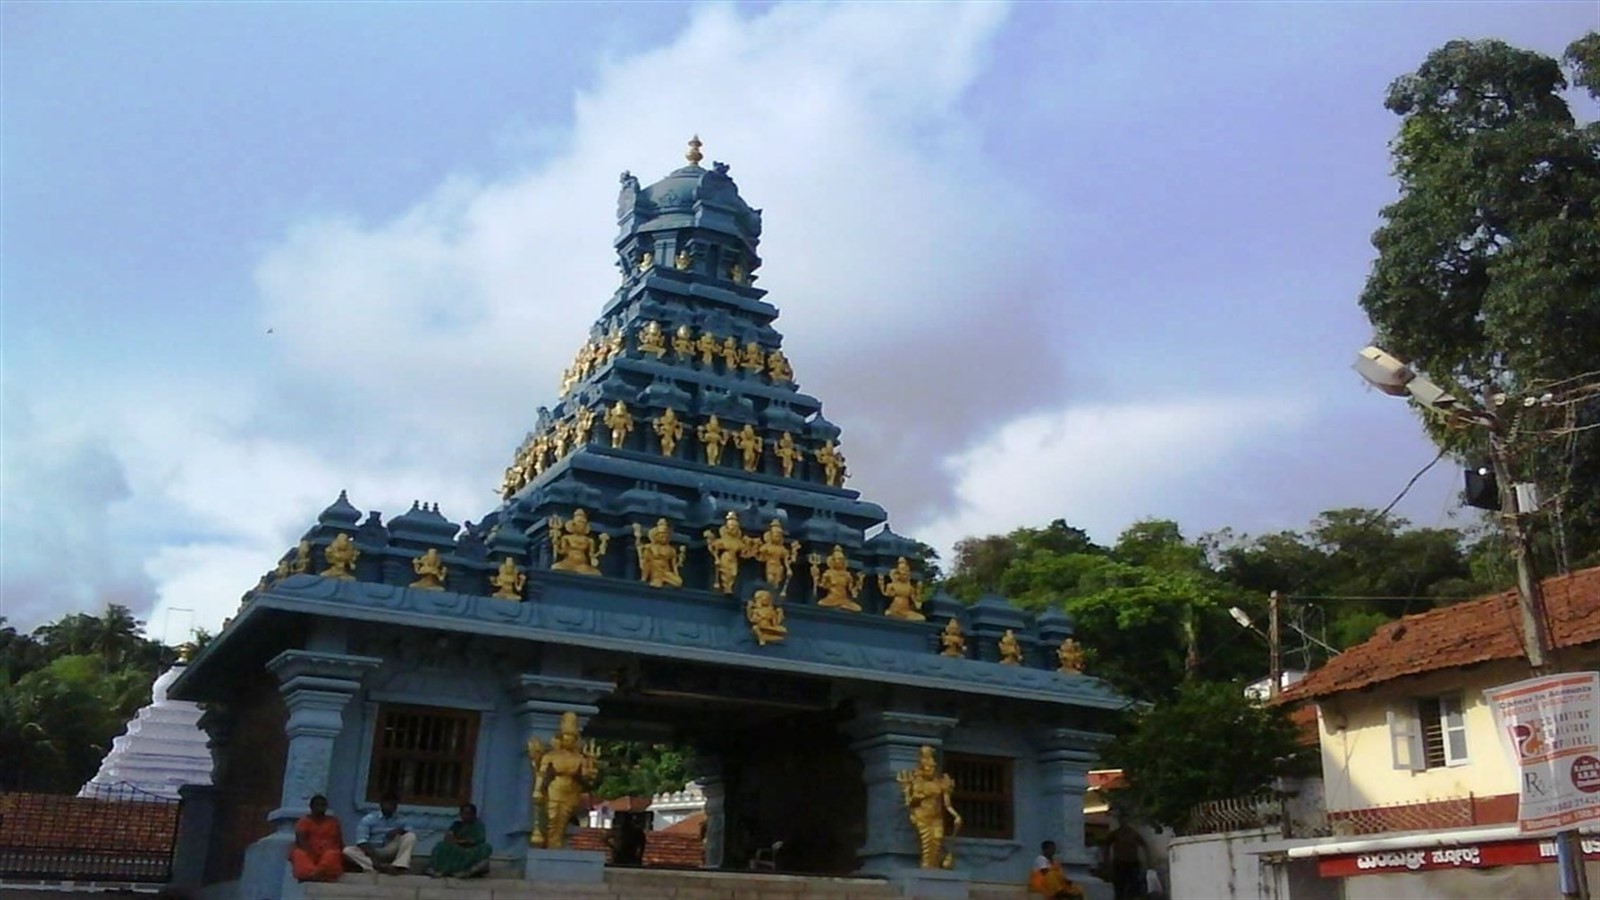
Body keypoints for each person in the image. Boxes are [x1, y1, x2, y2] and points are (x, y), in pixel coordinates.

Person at [344, 792, 416, 875]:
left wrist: (400, 831)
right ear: (381, 804)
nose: (391, 807)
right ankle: (380, 867)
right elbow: (362, 842)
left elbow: (410, 833)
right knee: (348, 851)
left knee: (410, 836)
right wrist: (374, 858)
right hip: (372, 850)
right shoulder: (369, 819)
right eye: (388, 804)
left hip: (390, 849)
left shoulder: (401, 819)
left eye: (393, 805)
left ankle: (398, 866)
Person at [426, 802, 491, 878]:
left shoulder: (478, 825)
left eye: (468, 813)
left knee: (486, 847)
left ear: (473, 814)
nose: (465, 816)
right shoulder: (457, 825)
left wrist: (460, 841)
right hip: (455, 847)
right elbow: (448, 836)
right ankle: (437, 869)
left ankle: (466, 871)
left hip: (470, 849)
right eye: (463, 813)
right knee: (441, 846)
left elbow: (478, 840)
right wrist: (451, 838)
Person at [289, 794, 344, 882]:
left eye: (323, 805)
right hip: (309, 852)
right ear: (311, 807)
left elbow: (338, 841)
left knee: (332, 854)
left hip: (327, 851)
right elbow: (301, 840)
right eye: (318, 805)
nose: (321, 807)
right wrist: (312, 855)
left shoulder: (333, 822)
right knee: (298, 853)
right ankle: (314, 874)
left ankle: (316, 874)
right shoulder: (304, 821)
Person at [1104, 820, 1148, 900]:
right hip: (1120, 863)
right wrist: (1106, 861)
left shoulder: (1133, 833)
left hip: (1132, 862)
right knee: (1119, 886)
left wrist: (1147, 861)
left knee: (1134, 886)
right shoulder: (1116, 833)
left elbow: (1144, 845)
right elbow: (1106, 846)